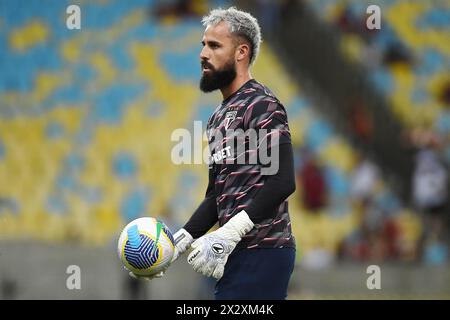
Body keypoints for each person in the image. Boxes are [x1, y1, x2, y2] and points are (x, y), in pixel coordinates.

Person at [130, 7, 297, 300]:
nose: (203, 54)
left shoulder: (262, 104)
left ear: (241, 52)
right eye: (203, 45)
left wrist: (229, 233)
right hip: (232, 251)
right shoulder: (218, 116)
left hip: (264, 250)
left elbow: (283, 181)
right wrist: (179, 242)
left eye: (215, 45)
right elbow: (214, 198)